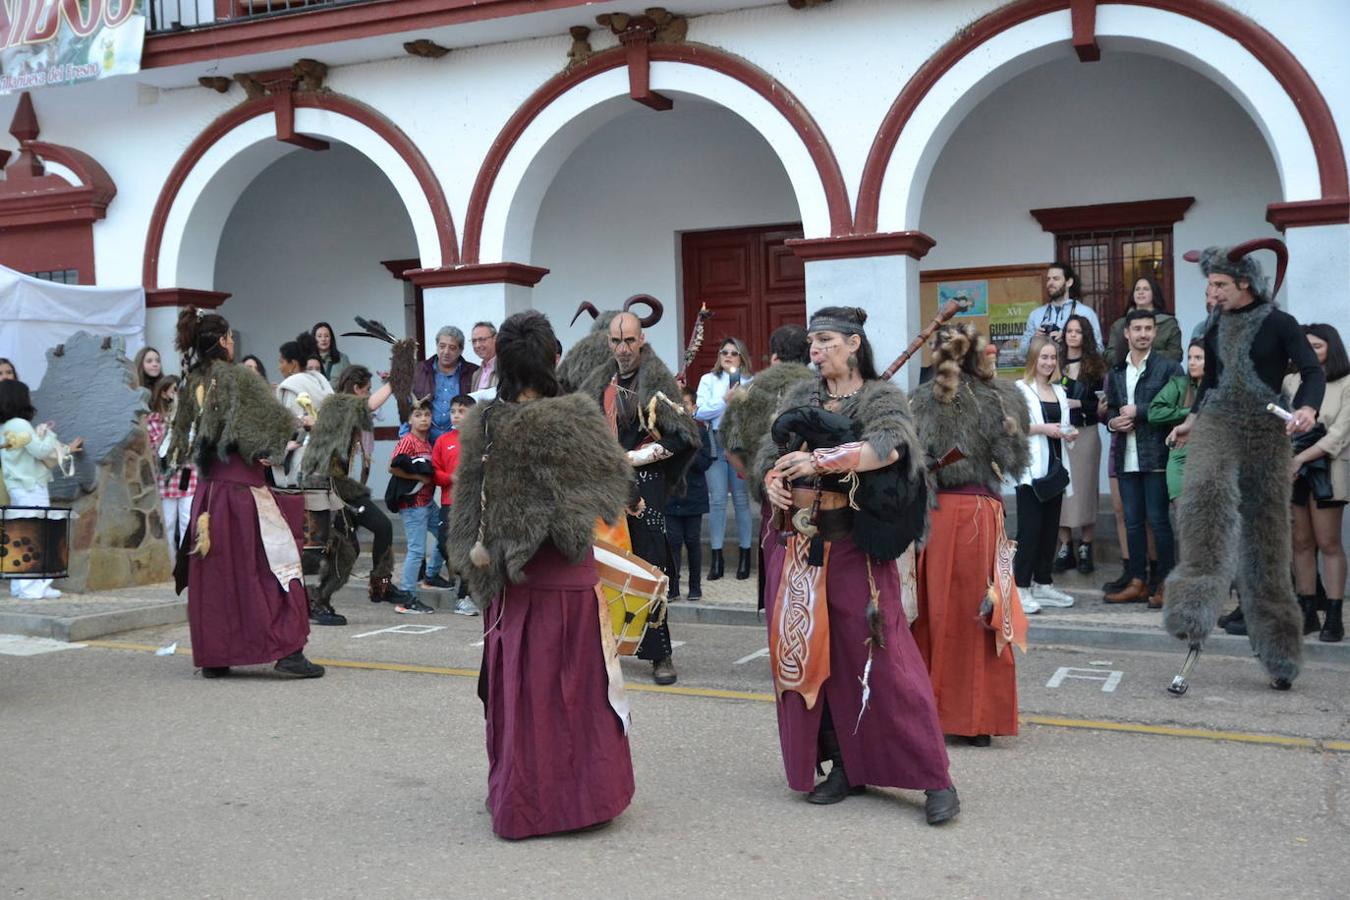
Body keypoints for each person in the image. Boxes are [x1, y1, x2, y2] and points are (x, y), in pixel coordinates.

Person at [757, 306, 959, 824]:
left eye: (825, 340)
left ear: (853, 343)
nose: (816, 349)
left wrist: (822, 460)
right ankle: (846, 766)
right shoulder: (801, 396)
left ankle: (934, 776)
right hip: (802, 549)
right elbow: (769, 451)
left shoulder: (881, 397)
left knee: (886, 661)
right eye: (811, 341)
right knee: (818, 665)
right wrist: (773, 478)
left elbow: (889, 449)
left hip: (856, 548)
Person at [448, 310, 636, 840]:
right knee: (574, 692)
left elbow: (467, 513)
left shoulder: (484, 422)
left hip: (511, 585)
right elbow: (613, 487)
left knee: (524, 693)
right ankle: (580, 798)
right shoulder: (576, 416)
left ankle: (522, 798)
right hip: (569, 578)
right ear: (552, 358)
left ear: (502, 363)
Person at [1163, 240, 1324, 691]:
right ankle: (1192, 603)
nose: (1212, 292)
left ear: (1244, 283)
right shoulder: (1213, 325)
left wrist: (1308, 409)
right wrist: (1190, 422)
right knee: (1204, 494)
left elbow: (1312, 372)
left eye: (1219, 284)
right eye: (1210, 283)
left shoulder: (1279, 323)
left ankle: (1279, 651)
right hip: (1218, 421)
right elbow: (1210, 383)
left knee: (1267, 537)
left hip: (1267, 430)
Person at [165, 307, 324, 679]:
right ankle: (287, 651)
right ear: (222, 342)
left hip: (208, 495)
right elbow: (271, 428)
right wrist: (295, 427)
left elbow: (185, 438)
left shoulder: (192, 382)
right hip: (244, 491)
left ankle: (216, 655)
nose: (233, 343)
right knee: (273, 566)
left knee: (217, 573)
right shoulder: (239, 377)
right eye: (231, 337)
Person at [911, 323, 1031, 746]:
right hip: (977, 514)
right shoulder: (1002, 396)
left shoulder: (924, 399)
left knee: (938, 614)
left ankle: (934, 714)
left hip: (946, 515)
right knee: (979, 614)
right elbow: (1016, 464)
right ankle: (978, 719)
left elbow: (907, 465)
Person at [567, 307, 700, 685]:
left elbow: (685, 436)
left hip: (646, 490)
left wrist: (638, 457)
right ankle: (606, 646)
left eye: (629, 340)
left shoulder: (656, 383)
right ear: (607, 343)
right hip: (604, 489)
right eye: (616, 341)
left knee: (650, 566)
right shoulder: (598, 383)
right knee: (603, 568)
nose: (623, 348)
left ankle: (661, 654)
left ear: (641, 340)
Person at [315, 365, 413, 605]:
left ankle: (382, 587)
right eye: (367, 390)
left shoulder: (345, 408)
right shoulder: (339, 406)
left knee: (382, 528)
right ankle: (319, 600)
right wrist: (394, 382)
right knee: (347, 550)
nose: (369, 394)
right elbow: (369, 405)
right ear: (357, 389)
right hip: (331, 488)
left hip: (344, 487)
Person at [1103, 309, 1176, 608]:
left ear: (1155, 333)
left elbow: (1177, 410)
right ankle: (1137, 580)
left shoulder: (1170, 368)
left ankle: (1166, 584)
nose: (1143, 333)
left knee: (1158, 522)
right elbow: (1111, 409)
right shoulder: (1117, 371)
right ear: (1127, 334)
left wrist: (1141, 412)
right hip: (1126, 456)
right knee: (1132, 522)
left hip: (1156, 455)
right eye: (1138, 329)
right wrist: (1112, 423)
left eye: (1148, 328)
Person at [1285, 323, 1350, 643]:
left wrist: (1300, 457)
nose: (1310, 352)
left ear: (1331, 348)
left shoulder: (1346, 383)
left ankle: (1334, 615)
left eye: (1318, 346)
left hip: (1328, 468)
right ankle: (1306, 610)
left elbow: (1339, 435)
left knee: (1329, 543)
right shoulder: (1291, 380)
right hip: (1294, 470)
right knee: (1301, 542)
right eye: (1306, 346)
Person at [1, 380, 83, 599]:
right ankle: (33, 588)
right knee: (35, 535)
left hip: (20, 486)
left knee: (23, 533)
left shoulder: (7, 426)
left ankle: (23, 587)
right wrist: (46, 433)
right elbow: (40, 451)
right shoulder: (19, 424)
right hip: (30, 485)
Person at [411, 325, 478, 586]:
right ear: (436, 346)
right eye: (442, 346)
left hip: (459, 441)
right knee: (425, 505)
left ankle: (439, 569)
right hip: (429, 442)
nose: (446, 351)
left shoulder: (471, 372)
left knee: (451, 513)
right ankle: (424, 567)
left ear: (460, 350)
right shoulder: (423, 370)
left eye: (452, 347)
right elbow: (411, 402)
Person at [1013, 335, 1076, 612]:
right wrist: (1043, 429)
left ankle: (1043, 582)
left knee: (1051, 529)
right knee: (1030, 530)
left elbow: (1062, 426)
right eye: (1044, 357)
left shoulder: (1059, 391)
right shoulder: (1020, 389)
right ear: (1034, 360)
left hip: (1055, 470)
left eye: (1053, 357)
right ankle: (1020, 587)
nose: (1049, 362)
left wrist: (1068, 434)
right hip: (1031, 472)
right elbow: (1012, 427)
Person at [695, 336, 755, 581]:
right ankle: (717, 558)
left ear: (741, 356)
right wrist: (725, 401)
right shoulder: (708, 380)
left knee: (741, 499)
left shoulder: (752, 381)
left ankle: (745, 556)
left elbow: (752, 413)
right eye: (724, 352)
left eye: (733, 352)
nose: (728, 356)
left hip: (739, 442)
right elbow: (700, 411)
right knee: (718, 499)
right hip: (715, 441)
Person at [1054, 314, 1106, 575]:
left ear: (1086, 336)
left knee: (1085, 489)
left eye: (1078, 331)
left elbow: (1104, 405)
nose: (1073, 335)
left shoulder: (1096, 365)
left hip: (1086, 432)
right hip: (1061, 434)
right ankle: (1066, 547)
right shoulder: (1055, 362)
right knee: (1062, 490)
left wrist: (1079, 404)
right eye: (1069, 331)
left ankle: (1086, 545)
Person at [388, 399, 437, 615]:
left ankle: (432, 575)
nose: (423, 419)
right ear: (410, 420)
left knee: (446, 534)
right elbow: (392, 467)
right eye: (418, 415)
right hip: (413, 505)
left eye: (426, 415)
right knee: (416, 551)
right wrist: (417, 476)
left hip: (428, 502)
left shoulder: (428, 443)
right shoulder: (408, 441)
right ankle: (406, 598)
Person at [431, 393, 478, 615]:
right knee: (444, 543)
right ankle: (466, 579)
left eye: (461, 411)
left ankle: (465, 596)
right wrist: (450, 478)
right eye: (453, 411)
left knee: (470, 548)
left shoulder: (481, 439)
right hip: (449, 501)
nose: (456, 416)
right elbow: (434, 471)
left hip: (473, 503)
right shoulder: (443, 440)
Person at [665, 387, 712, 601]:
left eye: (686, 405)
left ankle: (695, 587)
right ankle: (673, 587)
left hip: (694, 497)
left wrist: (688, 449)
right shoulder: (668, 432)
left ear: (694, 408)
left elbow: (704, 463)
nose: (682, 409)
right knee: (673, 542)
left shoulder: (701, 433)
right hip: (672, 497)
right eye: (678, 405)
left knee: (693, 542)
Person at [144, 376, 196, 561]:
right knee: (167, 523)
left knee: (187, 521)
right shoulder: (154, 419)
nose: (177, 395)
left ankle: (185, 568)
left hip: (188, 477)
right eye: (174, 390)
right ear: (164, 392)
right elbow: (156, 449)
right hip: (166, 480)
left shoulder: (189, 418)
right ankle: (170, 565)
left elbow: (193, 445)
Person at [1148, 340, 1205, 505]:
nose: (1192, 362)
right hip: (1180, 457)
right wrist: (1191, 412)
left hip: (1210, 458)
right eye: (1190, 357)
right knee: (1184, 518)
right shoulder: (1179, 384)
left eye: (1199, 358)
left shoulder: (1220, 388)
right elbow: (1154, 412)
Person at [1017, 262, 1103, 352]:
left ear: (1069, 282)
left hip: (1075, 366)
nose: (1050, 283)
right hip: (1045, 365)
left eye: (1056, 279)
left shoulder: (1086, 313)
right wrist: (1034, 340)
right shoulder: (1036, 315)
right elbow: (1022, 353)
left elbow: (1099, 350)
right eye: (1048, 279)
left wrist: (1069, 340)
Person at [1103, 276, 1184, 366]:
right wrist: (1132, 357)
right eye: (1137, 289)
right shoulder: (1119, 324)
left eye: (1146, 289)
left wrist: (1145, 355)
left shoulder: (1168, 323)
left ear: (1154, 293)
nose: (1140, 292)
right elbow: (1109, 355)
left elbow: (1176, 355)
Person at [468, 322, 498, 392]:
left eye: (482, 340)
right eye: (474, 341)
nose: (477, 345)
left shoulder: (506, 368)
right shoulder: (476, 374)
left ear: (495, 338)